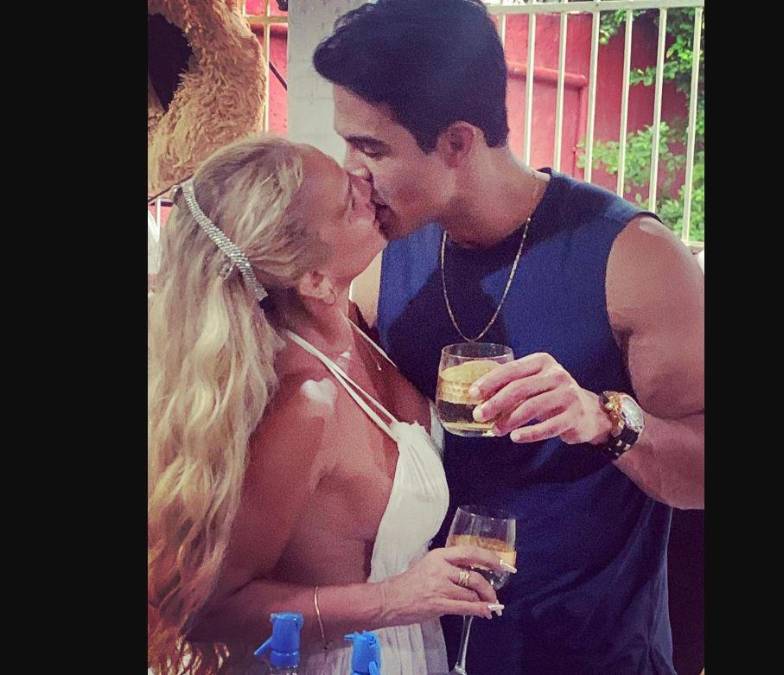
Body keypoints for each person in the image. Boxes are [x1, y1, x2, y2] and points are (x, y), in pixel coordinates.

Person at [313, 1, 704, 672]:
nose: (352, 171)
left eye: (371, 148)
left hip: (590, 652)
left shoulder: (635, 257)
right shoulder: (382, 254)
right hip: (426, 646)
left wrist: (604, 416)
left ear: (457, 143)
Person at [148, 135, 512, 675]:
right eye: (348, 202)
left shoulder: (354, 331)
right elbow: (204, 610)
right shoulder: (303, 404)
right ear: (314, 278)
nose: (366, 185)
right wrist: (394, 598)